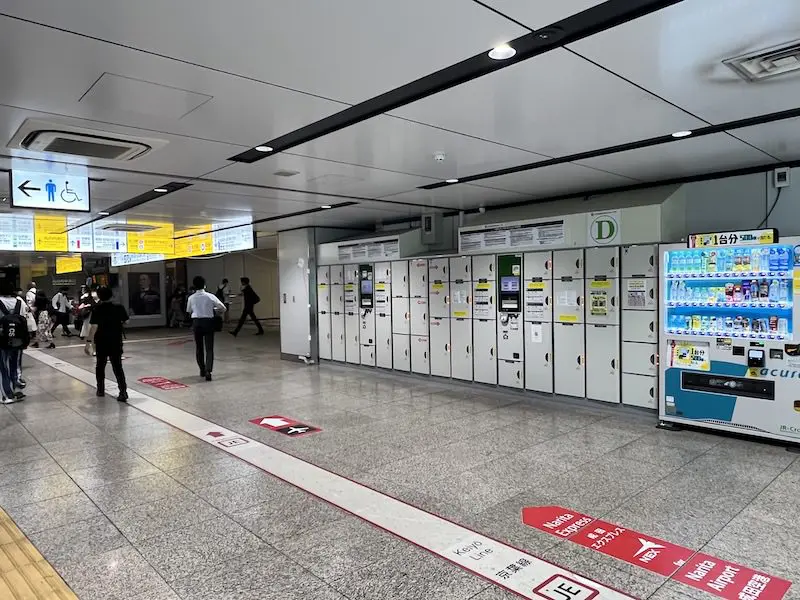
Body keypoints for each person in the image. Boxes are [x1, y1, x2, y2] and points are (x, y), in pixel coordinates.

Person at [88, 286, 128, 402]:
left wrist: (88, 342)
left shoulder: (97, 309)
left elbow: (94, 327)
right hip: (115, 340)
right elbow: (126, 321)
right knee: (117, 367)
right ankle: (123, 391)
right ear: (112, 295)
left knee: (100, 365)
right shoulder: (119, 307)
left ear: (99, 296)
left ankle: (100, 390)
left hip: (101, 341)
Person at [187, 276, 226, 381]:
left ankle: (202, 370)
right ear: (204, 285)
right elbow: (223, 308)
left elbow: (189, 310)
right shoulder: (210, 296)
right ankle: (209, 371)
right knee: (209, 348)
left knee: (199, 348)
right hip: (208, 322)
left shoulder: (191, 298)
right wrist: (214, 310)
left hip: (196, 322)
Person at [0, 281, 30, 404]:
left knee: (3, 367)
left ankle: (7, 395)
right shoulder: (20, 302)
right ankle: (13, 388)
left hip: (2, 339)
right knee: (15, 364)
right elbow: (25, 318)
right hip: (18, 338)